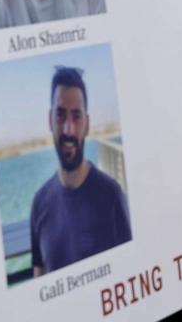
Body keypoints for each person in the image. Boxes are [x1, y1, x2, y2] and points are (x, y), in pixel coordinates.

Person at [30, 66, 132, 275]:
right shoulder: (39, 204)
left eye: (76, 116)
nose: (69, 129)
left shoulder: (111, 195)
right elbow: (39, 279)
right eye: (60, 115)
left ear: (87, 124)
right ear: (50, 120)